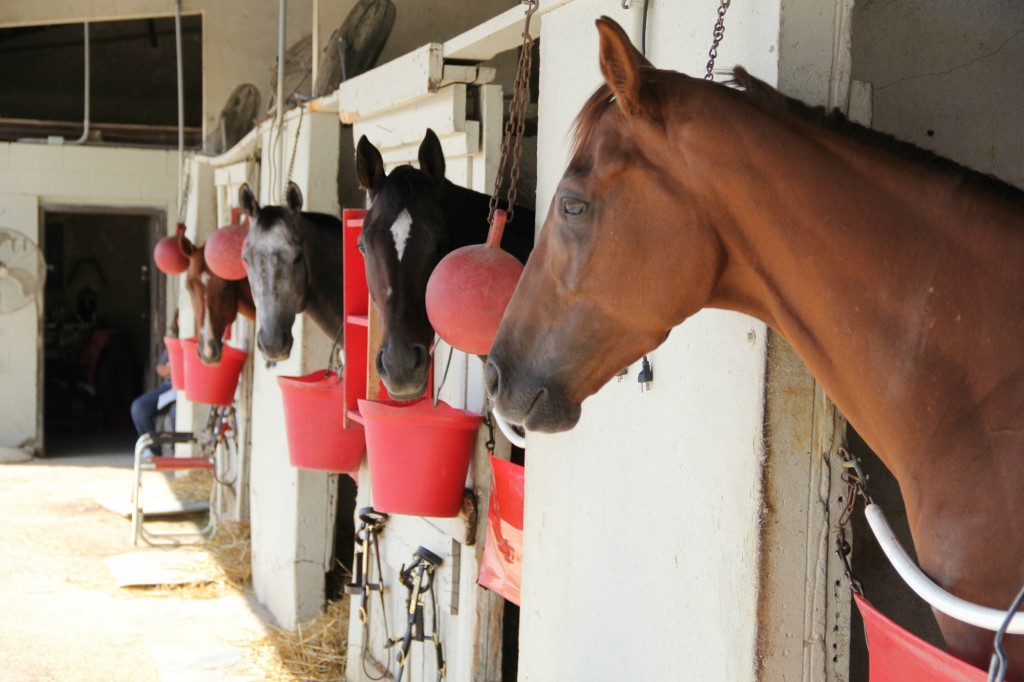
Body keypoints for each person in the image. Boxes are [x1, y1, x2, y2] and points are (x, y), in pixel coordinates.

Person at [130, 342, 176, 454]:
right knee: (139, 407)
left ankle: (178, 453)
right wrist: (174, 368)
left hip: (189, 388)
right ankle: (152, 449)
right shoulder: (174, 343)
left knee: (176, 413)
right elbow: (160, 368)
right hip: (170, 386)